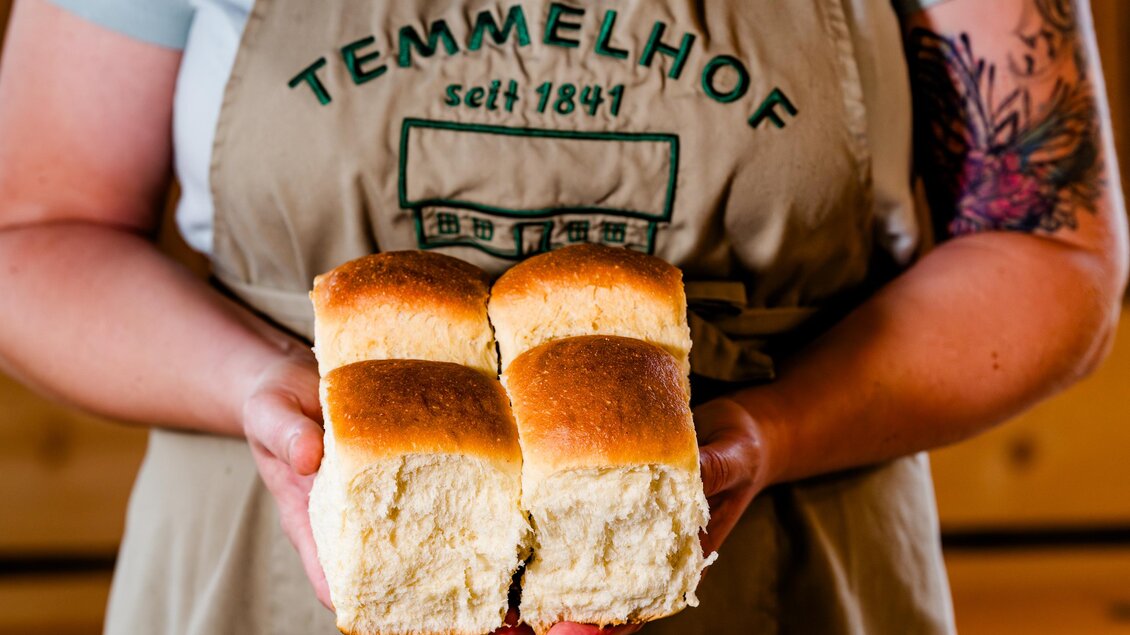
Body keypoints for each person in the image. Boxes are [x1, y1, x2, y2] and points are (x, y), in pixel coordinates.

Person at [0, 0, 1125, 633]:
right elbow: (35, 231)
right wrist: (256, 389)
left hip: (779, 570)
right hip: (261, 577)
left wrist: (768, 431)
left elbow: (1049, 252)